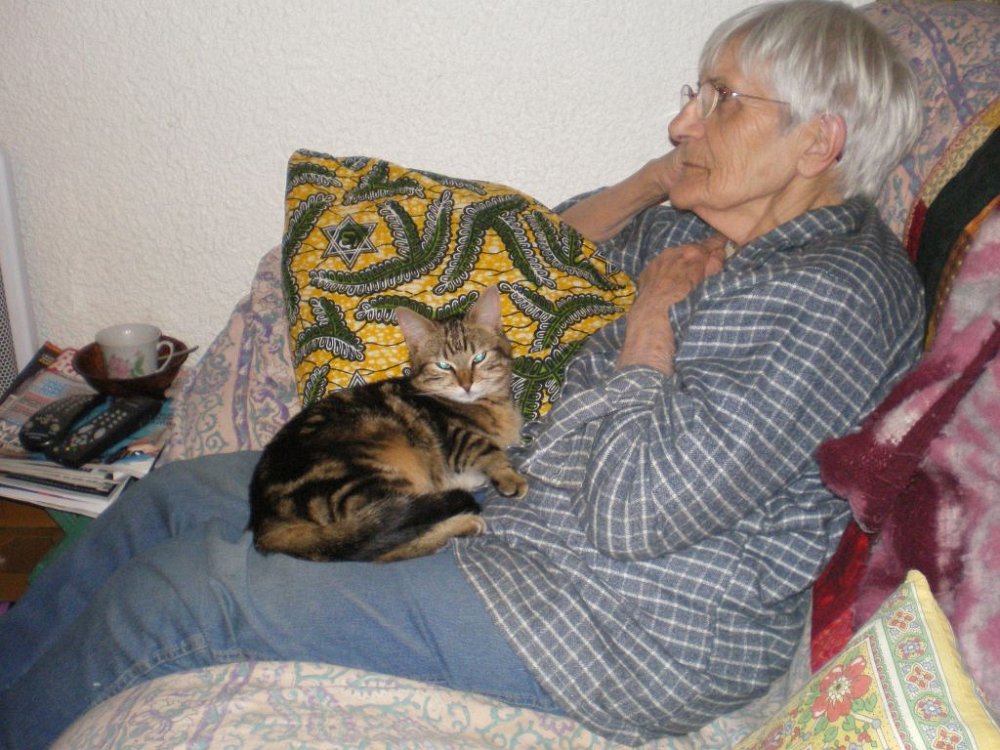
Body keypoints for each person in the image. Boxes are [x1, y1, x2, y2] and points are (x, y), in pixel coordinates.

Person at [0, 1, 925, 746]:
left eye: (720, 99)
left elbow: (634, 514)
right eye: (695, 92)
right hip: (522, 517)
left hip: (613, 622)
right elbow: (544, 246)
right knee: (169, 502)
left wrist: (647, 326)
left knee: (179, 602)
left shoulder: (834, 297)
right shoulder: (711, 229)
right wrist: (658, 179)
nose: (683, 119)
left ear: (818, 143)